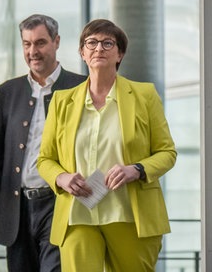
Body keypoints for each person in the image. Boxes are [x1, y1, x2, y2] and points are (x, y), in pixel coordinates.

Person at [37, 19, 176, 271]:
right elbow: (45, 159)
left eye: (107, 43)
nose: (98, 48)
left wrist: (136, 169)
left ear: (119, 53)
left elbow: (167, 153)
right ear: (82, 52)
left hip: (130, 216)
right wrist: (62, 178)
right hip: (77, 215)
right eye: (91, 43)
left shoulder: (144, 95)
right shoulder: (61, 101)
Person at [0, 14, 86, 272]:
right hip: (16, 208)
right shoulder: (7, 91)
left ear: (56, 42)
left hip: (58, 203)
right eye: (27, 44)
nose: (32, 51)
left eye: (40, 43)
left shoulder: (80, 87)